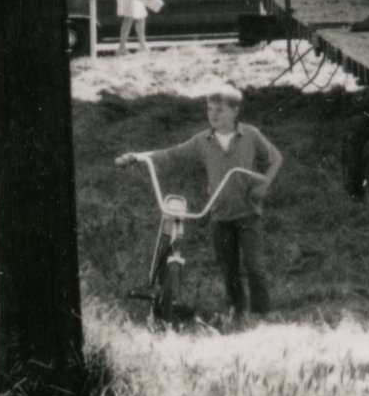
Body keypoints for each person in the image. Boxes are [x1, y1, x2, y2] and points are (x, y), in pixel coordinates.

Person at [119, 84, 284, 322]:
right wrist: (138, 157)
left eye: (219, 110)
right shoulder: (203, 141)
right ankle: (238, 313)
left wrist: (264, 184)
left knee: (255, 266)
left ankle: (261, 315)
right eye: (209, 109)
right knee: (229, 270)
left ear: (235, 111)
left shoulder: (250, 135)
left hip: (248, 212)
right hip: (219, 215)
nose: (213, 114)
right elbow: (172, 153)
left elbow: (276, 158)